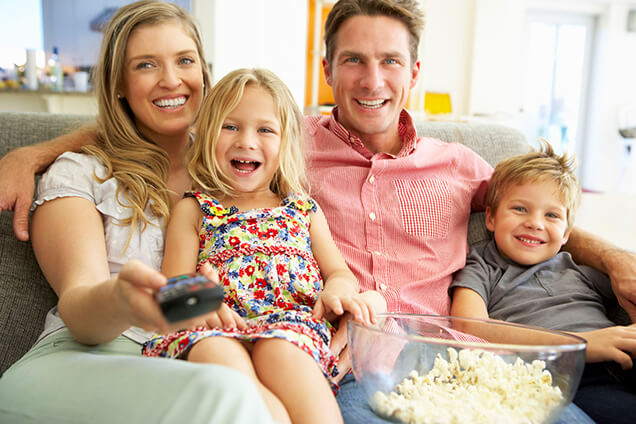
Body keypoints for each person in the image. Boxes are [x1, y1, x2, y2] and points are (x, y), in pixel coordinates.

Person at [1, 0, 635, 422]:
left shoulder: (450, 162)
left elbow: (534, 209)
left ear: (414, 72)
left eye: (389, 61)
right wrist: (34, 148)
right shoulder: (265, 147)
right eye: (353, 60)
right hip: (298, 350)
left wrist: (612, 257)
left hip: (367, 342)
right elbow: (156, 134)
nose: (371, 79)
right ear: (327, 70)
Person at [0, 2, 274, 423]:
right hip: (80, 363)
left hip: (194, 367)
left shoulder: (240, 172)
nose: (171, 80)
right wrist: (123, 301)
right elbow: (79, 306)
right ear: (120, 85)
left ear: (204, 71)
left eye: (185, 60)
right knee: (230, 394)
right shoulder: (81, 173)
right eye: (146, 65)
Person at [142, 67, 385, 424]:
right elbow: (171, 291)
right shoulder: (194, 209)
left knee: (281, 353)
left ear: (285, 142)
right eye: (230, 126)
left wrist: (337, 290)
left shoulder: (302, 209)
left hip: (291, 328)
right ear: (207, 134)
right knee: (218, 355)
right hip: (215, 327)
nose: (246, 141)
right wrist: (199, 294)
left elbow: (339, 273)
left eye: (265, 130)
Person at [450, 142, 636, 424]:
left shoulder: (574, 267)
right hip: (566, 378)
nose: (535, 223)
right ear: (490, 217)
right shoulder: (483, 266)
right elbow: (469, 326)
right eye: (520, 209)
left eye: (551, 215)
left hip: (623, 361)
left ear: (566, 234)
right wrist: (580, 344)